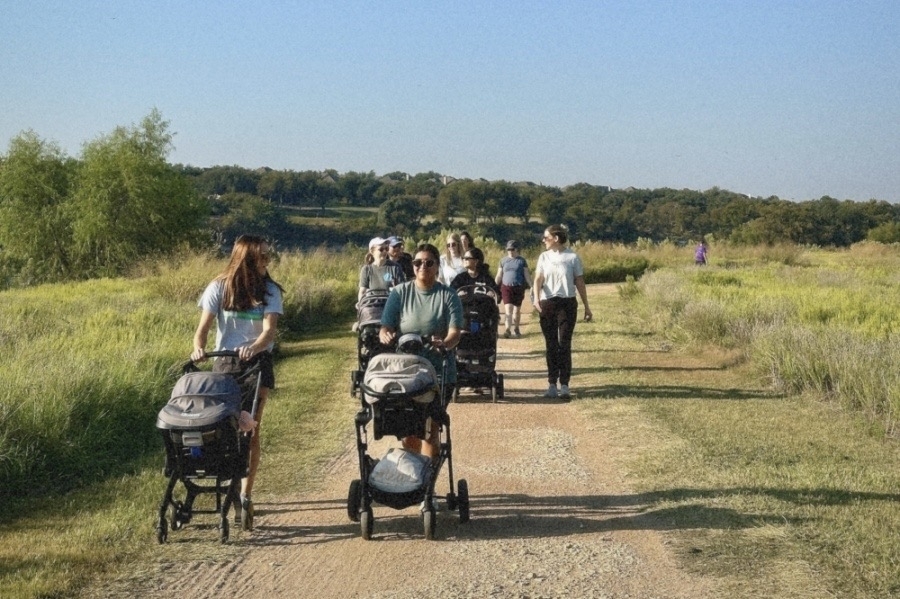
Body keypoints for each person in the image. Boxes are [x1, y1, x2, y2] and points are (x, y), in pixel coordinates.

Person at [191, 234, 284, 527]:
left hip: (256, 363)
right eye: (263, 256)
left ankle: (245, 493)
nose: (267, 261)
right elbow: (203, 328)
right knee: (221, 427)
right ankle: (225, 480)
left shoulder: (270, 291)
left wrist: (255, 347)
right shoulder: (219, 287)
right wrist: (198, 347)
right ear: (247, 258)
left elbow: (269, 330)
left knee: (250, 428)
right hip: (225, 362)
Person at [380, 243, 464, 460]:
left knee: (430, 429)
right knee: (408, 432)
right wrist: (386, 334)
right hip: (406, 373)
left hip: (438, 371)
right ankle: (412, 478)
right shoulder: (400, 293)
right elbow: (385, 327)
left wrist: (444, 344)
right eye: (417, 262)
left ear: (437, 266)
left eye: (428, 263)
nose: (422, 266)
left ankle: (427, 482)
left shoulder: (448, 295)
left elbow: (455, 333)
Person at [532, 225, 592, 401]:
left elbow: (579, 282)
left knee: (564, 344)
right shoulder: (544, 257)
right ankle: (552, 384)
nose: (543, 240)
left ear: (556, 238)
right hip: (548, 302)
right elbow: (538, 279)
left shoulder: (573, 257)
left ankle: (564, 385)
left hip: (567, 303)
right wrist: (536, 298)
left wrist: (587, 306)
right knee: (551, 344)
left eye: (546, 237)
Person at [495, 239, 532, 339]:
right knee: (508, 309)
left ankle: (516, 328)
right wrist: (494, 285)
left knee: (516, 310)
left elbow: (526, 275)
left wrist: (532, 286)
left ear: (516, 249)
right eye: (508, 249)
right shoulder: (503, 261)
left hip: (518, 287)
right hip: (506, 287)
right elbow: (499, 275)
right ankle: (507, 329)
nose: (510, 251)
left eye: (512, 249)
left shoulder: (521, 261)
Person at [359, 236, 404, 301]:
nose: (385, 251)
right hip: (372, 307)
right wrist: (361, 306)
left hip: (390, 305)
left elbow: (402, 291)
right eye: (381, 249)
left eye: (386, 248)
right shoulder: (366, 269)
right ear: (372, 251)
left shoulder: (395, 267)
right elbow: (362, 292)